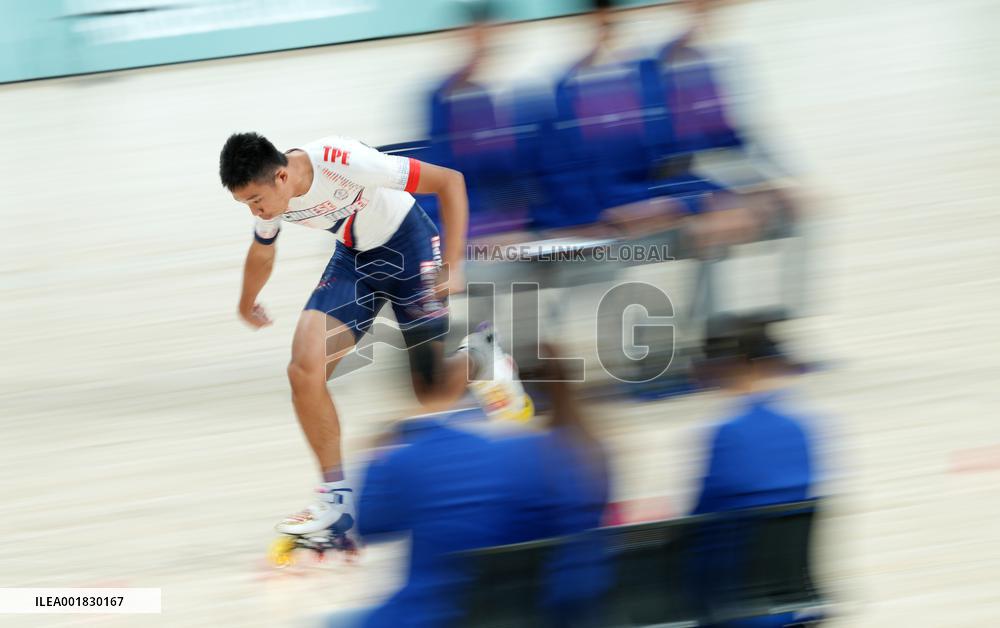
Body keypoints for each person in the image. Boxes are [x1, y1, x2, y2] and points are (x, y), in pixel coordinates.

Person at [218, 132, 532, 539]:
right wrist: (246, 301)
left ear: (280, 177)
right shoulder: (269, 198)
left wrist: (454, 265)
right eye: (245, 204)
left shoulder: (343, 160)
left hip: (410, 246)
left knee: (432, 393)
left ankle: (479, 354)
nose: (254, 211)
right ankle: (337, 500)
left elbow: (450, 181)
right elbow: (263, 250)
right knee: (304, 371)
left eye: (254, 201)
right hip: (355, 260)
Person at [321, 346, 611, 627]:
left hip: (433, 615)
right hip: (532, 614)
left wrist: (379, 450)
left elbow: (366, 525)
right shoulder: (543, 455)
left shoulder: (407, 458)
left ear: (415, 382)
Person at [690, 313, 818, 627]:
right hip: (785, 596)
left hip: (734, 598)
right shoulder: (799, 429)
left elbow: (700, 520)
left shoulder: (729, 433)